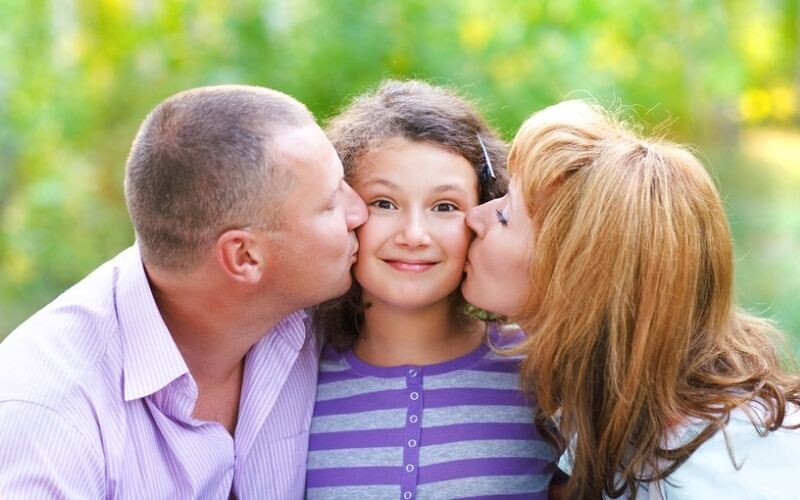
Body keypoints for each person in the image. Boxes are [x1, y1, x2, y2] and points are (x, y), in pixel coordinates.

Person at [0, 85, 367, 498]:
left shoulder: (319, 316)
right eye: (329, 204)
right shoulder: (49, 418)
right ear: (244, 256)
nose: (360, 211)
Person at [463, 99, 800, 499]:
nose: (474, 217)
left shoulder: (725, 475)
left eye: (504, 216)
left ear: (578, 275)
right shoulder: (604, 411)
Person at [305, 80, 559, 500]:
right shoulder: (295, 374)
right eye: (384, 203)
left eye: (445, 207)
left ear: (484, 213)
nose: (414, 235)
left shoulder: (542, 374)